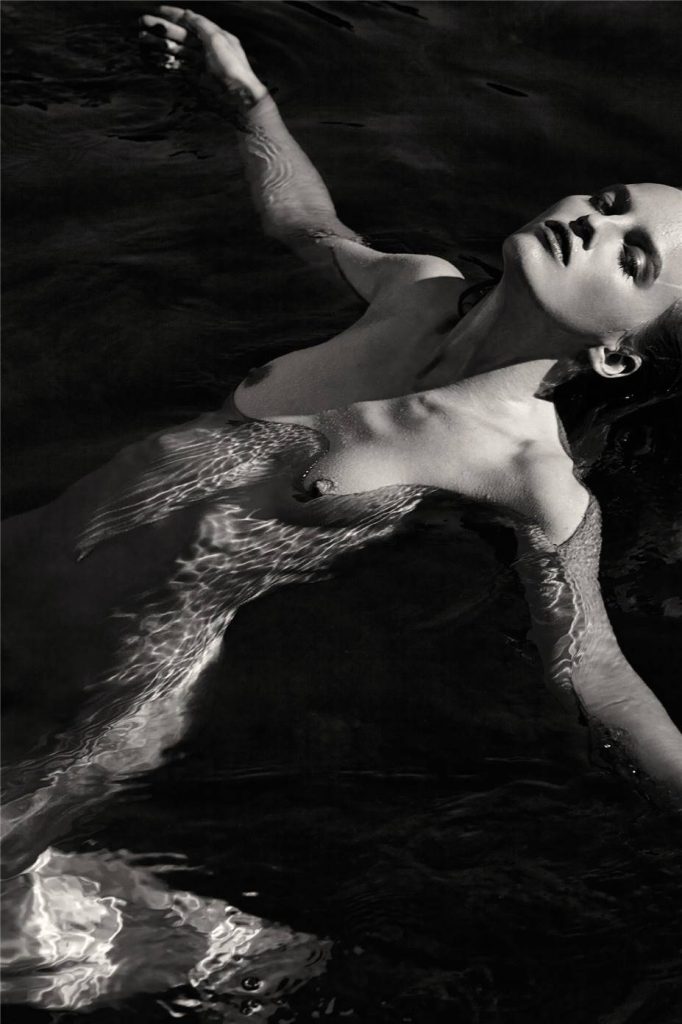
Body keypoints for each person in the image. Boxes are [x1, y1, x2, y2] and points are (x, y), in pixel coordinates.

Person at [3, 5, 682, 877]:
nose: (595, 223)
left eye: (632, 258)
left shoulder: (529, 474)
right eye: (611, 202)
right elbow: (306, 225)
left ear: (617, 356)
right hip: (28, 552)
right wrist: (251, 106)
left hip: (116, 674)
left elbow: (593, 669)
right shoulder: (416, 288)